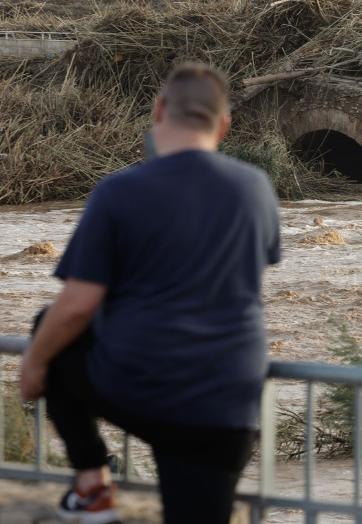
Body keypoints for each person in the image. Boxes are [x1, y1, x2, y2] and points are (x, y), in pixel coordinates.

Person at [19, 63, 281, 524]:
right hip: (226, 404)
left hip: (140, 385)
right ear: (224, 125)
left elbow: (77, 305)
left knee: (49, 330)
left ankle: (92, 487)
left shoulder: (119, 191)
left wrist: (34, 364)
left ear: (159, 111)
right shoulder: (255, 188)